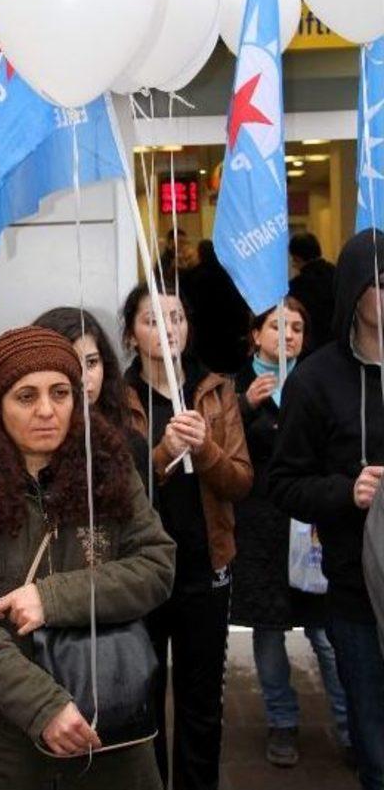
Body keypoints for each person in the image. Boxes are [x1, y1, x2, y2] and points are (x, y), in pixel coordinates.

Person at [0, 325, 175, 790]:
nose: (46, 410)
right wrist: (43, 706)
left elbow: (157, 565)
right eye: (26, 396)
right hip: (0, 740)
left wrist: (51, 597)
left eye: (60, 393)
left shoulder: (109, 471)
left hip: (109, 726)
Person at [122, 283, 252, 790]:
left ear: (188, 327)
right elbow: (114, 491)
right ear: (132, 334)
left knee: (202, 705)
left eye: (175, 317)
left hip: (205, 567)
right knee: (144, 698)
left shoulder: (215, 390)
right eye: (151, 319)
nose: (166, 328)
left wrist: (204, 451)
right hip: (140, 571)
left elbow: (240, 482)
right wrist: (163, 453)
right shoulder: (119, 396)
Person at [270, 229, 384, 790]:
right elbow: (284, 484)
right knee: (374, 739)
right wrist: (347, 491)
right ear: (355, 291)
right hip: (354, 588)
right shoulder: (317, 379)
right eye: (382, 284)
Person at [232, 298, 350, 767]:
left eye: (298, 327)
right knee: (268, 631)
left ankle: (350, 725)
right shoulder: (237, 384)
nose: (289, 335)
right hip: (261, 527)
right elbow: (223, 452)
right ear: (255, 335)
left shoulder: (321, 380)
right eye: (278, 326)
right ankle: (282, 722)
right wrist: (244, 406)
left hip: (312, 524)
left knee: (327, 633)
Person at [32, 307, 152, 492]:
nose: (83, 378)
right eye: (69, 364)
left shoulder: (130, 445)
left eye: (91, 363)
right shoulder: (30, 450)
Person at [181, 240, 249, 374]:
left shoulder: (191, 277)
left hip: (203, 336)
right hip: (229, 337)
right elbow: (240, 306)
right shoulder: (230, 275)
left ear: (200, 255)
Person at [288, 232, 335, 351]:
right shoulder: (337, 274)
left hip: (310, 348)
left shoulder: (297, 286)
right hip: (336, 345)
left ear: (296, 258)